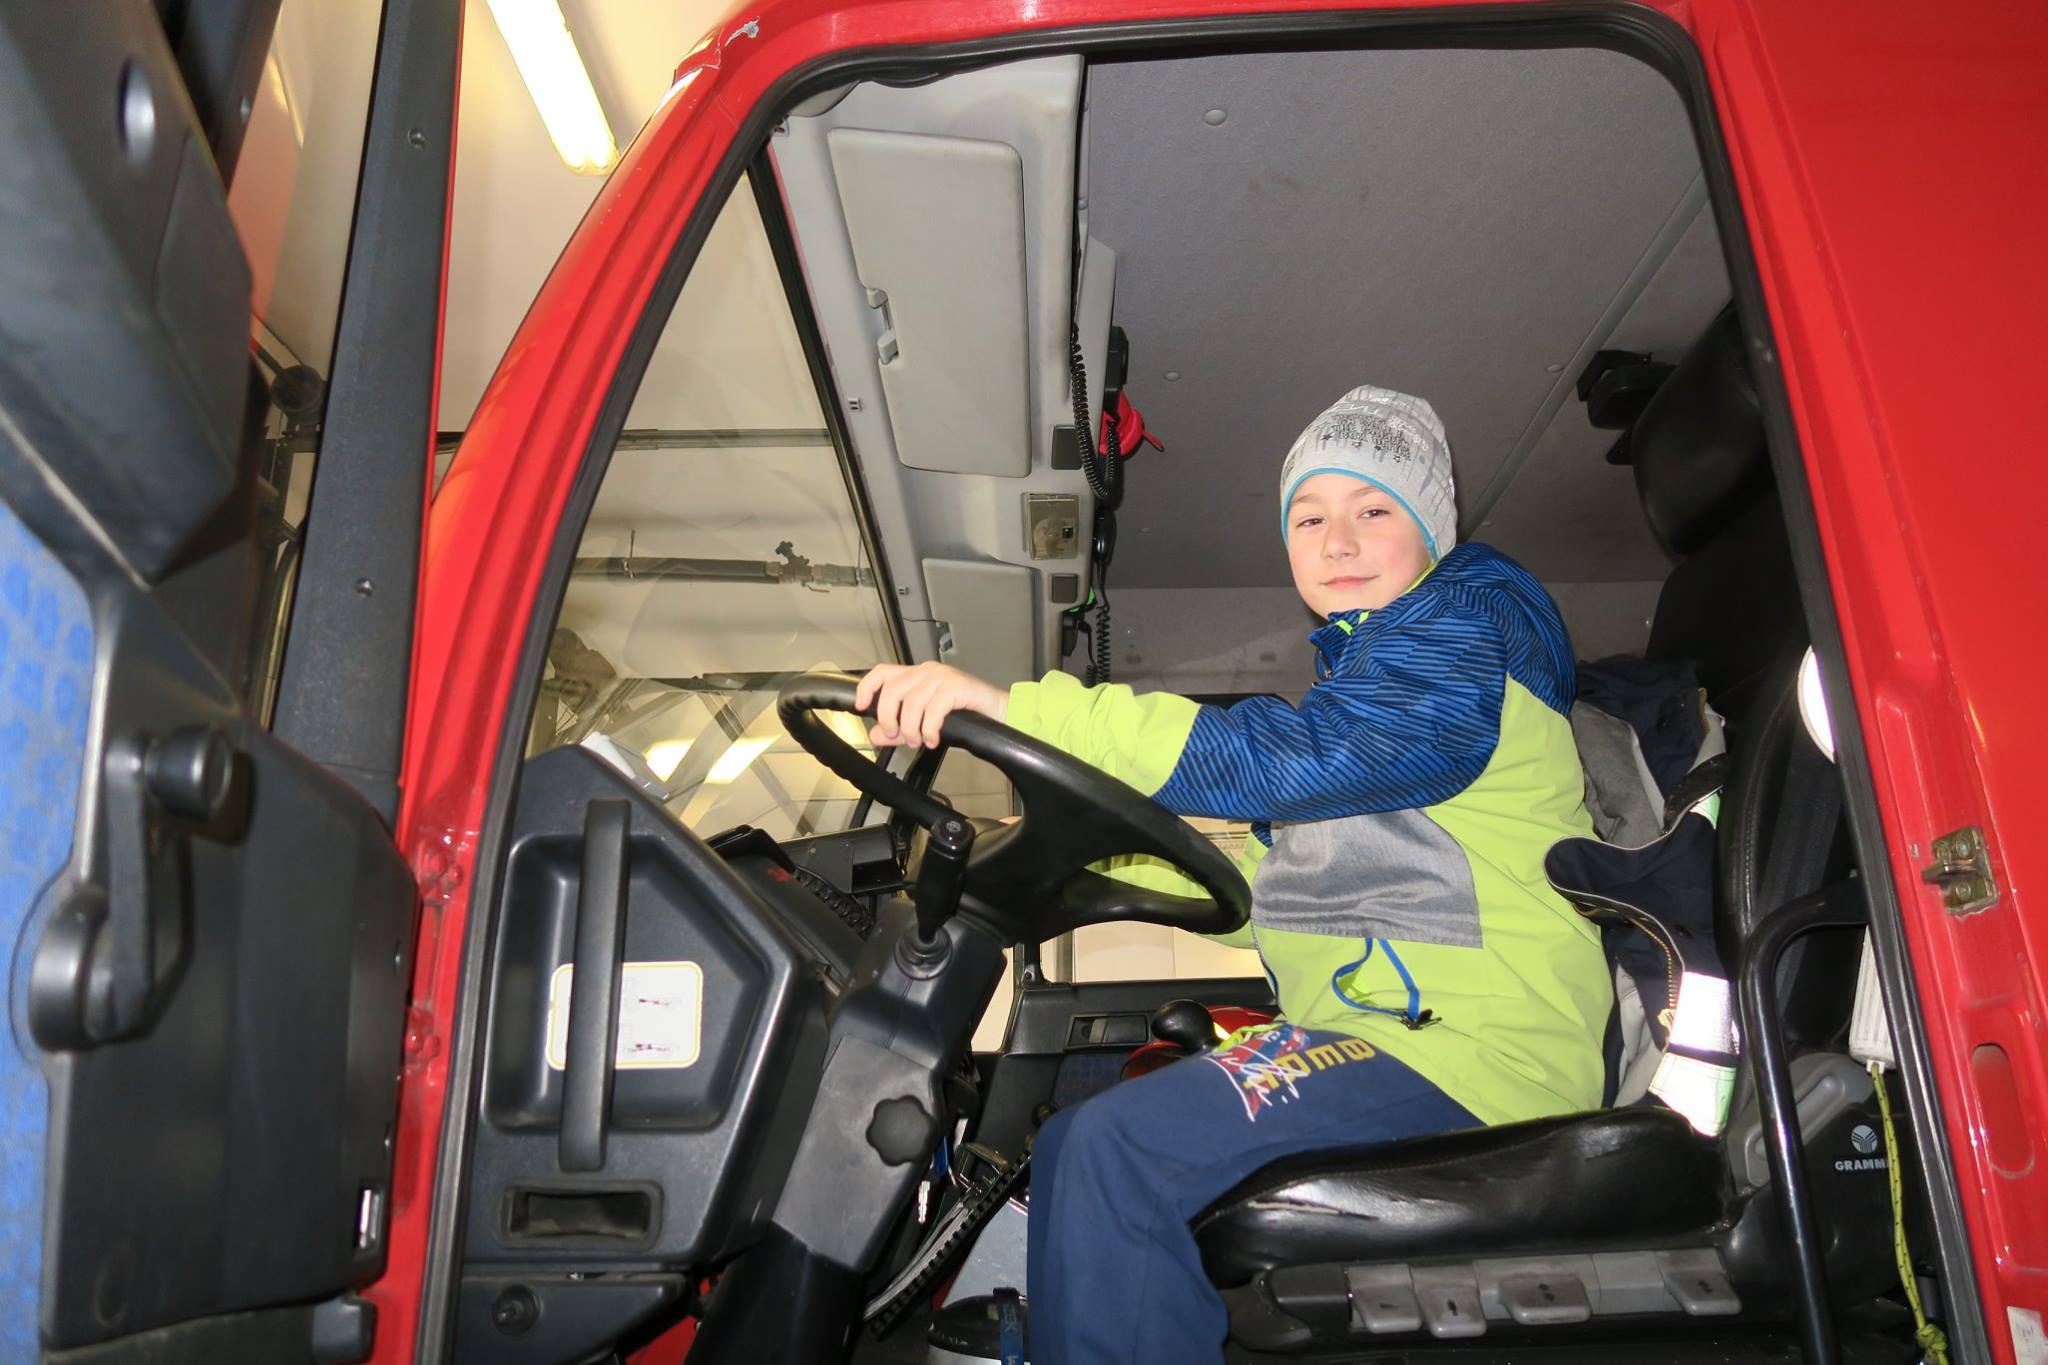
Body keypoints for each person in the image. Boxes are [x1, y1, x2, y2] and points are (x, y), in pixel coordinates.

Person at [854, 384, 1611, 1365]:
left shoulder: (1461, 628)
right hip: (1408, 1036)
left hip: (1480, 1052)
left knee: (1114, 1151)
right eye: (1309, 518)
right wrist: (1069, 855)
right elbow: (1264, 890)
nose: (1338, 542)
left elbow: (1288, 759)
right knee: (1081, 1140)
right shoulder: (1375, 689)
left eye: (1373, 510)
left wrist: (1019, 710)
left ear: (1431, 529)